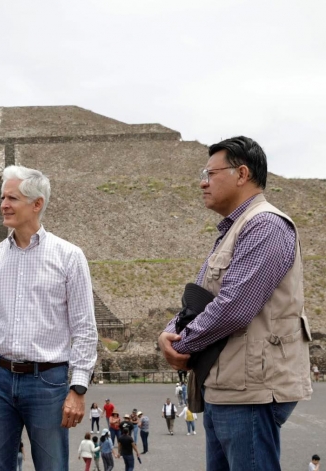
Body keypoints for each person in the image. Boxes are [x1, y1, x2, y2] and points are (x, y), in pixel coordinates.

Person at [158, 136, 312, 471]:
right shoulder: (235, 229)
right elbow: (199, 298)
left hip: (252, 390)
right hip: (228, 384)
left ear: (242, 174)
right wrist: (171, 331)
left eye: (210, 173)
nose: (203, 182)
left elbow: (233, 308)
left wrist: (182, 345)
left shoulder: (265, 226)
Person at [0, 165, 98, 471]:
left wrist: (77, 388)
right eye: (3, 197)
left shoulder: (69, 256)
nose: (3, 204)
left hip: (48, 381)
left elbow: (85, 329)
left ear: (37, 204)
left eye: (13, 198)